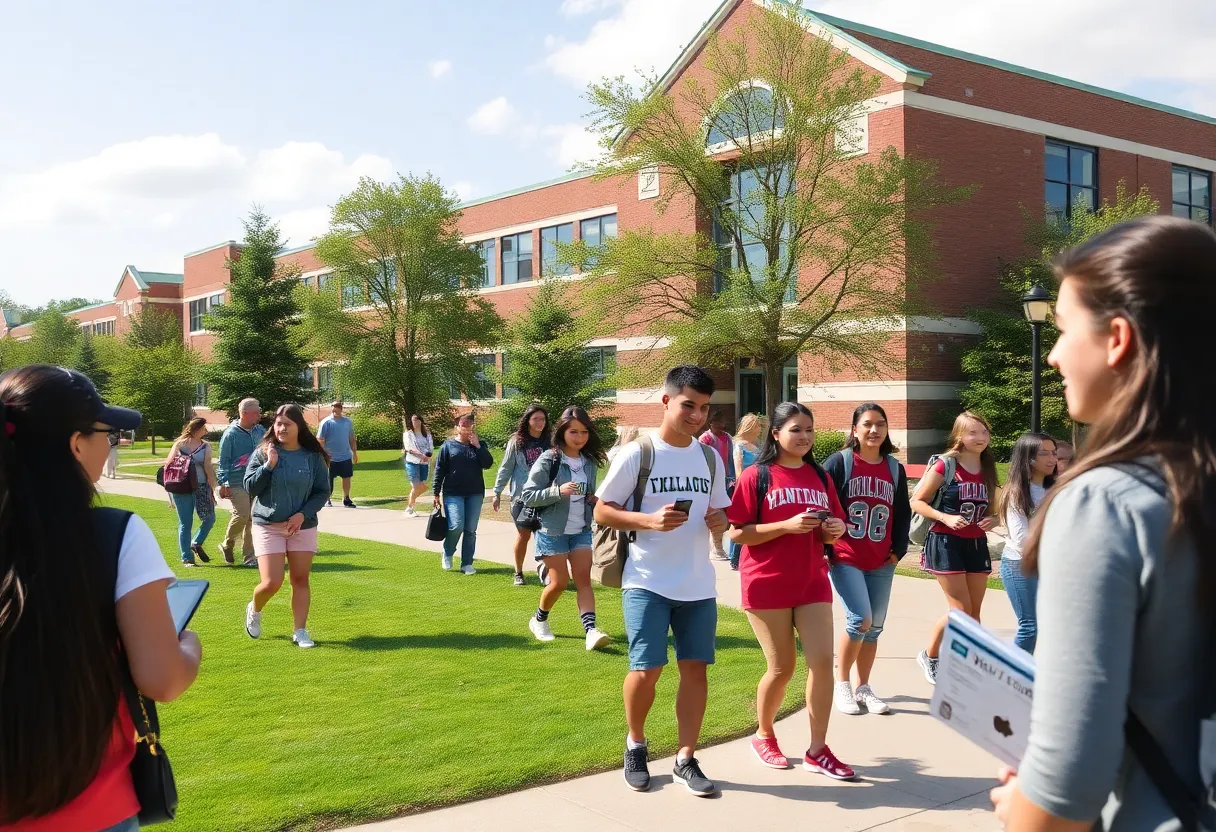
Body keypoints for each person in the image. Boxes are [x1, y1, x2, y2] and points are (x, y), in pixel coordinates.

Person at [989, 216, 1215, 831]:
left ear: (1117, 339)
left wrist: (1022, 807)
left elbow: (1066, 786)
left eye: (1064, 329)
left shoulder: (1105, 503)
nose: (1054, 354)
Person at [0, 365, 201, 832]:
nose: (109, 444)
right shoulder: (116, 534)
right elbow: (163, 679)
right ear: (76, 444)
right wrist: (189, 646)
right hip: (92, 810)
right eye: (107, 435)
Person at [595, 365, 731, 797]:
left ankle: (685, 758)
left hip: (698, 584)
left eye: (704, 408)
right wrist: (648, 521)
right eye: (689, 405)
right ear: (667, 400)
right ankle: (635, 744)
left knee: (696, 670)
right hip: (646, 580)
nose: (697, 416)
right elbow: (602, 509)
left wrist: (720, 521)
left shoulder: (710, 458)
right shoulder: (638, 452)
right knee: (646, 669)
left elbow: (721, 511)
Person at [725, 402, 856, 780]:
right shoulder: (757, 475)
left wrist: (834, 530)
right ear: (776, 434)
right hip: (766, 582)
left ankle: (818, 750)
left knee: (822, 664)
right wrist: (785, 526)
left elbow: (835, 525)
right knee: (782, 667)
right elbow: (737, 532)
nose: (805, 436)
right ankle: (764, 735)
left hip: (812, 580)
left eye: (809, 430)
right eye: (796, 429)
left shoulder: (820, 476)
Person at [823, 402, 911, 716]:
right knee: (860, 619)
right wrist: (827, 546)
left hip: (881, 559)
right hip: (846, 556)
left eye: (880, 424)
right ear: (855, 430)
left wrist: (898, 550)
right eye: (867, 424)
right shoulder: (840, 462)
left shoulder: (894, 468)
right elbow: (822, 503)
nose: (874, 430)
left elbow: (903, 513)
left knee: (874, 628)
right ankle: (842, 683)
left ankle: (864, 688)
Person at [910, 410, 999, 685]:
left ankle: (969, 667)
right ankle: (931, 655)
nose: (980, 437)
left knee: (973, 613)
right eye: (973, 432)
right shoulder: (945, 465)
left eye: (984, 432)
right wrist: (944, 517)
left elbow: (995, 510)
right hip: (945, 542)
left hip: (976, 543)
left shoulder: (988, 466)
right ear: (959, 435)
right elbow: (917, 501)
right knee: (960, 612)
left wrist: (994, 519)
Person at [521, 405, 612, 650]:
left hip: (581, 530)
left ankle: (591, 631)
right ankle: (539, 620)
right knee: (559, 582)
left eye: (584, 432)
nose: (580, 437)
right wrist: (557, 491)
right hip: (552, 532)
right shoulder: (549, 458)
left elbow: (585, 492)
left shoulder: (589, 462)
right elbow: (527, 495)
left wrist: (593, 499)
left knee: (584, 581)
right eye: (574, 432)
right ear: (562, 431)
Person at [243, 404, 330, 650]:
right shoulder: (263, 453)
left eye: (287, 425)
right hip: (268, 525)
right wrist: (269, 465)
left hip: (302, 526)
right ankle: (255, 608)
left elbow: (322, 491)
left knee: (300, 579)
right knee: (272, 582)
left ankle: (300, 631)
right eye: (278, 424)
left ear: (298, 427)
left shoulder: (312, 456)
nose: (281, 429)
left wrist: (302, 515)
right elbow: (250, 487)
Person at [997, 432, 1056, 655]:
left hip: (1049, 565)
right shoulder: (1016, 492)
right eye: (1044, 454)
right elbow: (1022, 539)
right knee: (1030, 627)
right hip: (1020, 565)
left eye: (1053, 453)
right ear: (1029, 458)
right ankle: (1009, 672)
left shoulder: (1056, 488)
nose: (1052, 459)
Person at [492, 405, 550, 586]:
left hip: (545, 496)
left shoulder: (550, 441)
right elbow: (506, 467)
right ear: (528, 421)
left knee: (546, 534)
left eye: (542, 419)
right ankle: (518, 572)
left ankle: (548, 571)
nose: (540, 422)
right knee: (523, 535)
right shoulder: (517, 442)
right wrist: (497, 492)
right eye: (536, 419)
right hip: (522, 498)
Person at [431, 415, 494, 575]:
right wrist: (436, 492)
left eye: (470, 425)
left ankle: (467, 563)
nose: (467, 428)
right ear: (457, 427)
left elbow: (487, 464)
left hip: (475, 492)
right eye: (463, 425)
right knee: (456, 526)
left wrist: (478, 446)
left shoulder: (479, 445)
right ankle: (448, 551)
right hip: (453, 493)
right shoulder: (448, 446)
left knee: (470, 530)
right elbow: (440, 469)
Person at [164, 416, 219, 567]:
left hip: (201, 486)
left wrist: (213, 488)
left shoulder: (205, 446)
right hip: (182, 487)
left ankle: (196, 542)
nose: (205, 431)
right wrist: (169, 496)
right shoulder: (180, 444)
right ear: (197, 429)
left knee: (210, 519)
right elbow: (169, 467)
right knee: (185, 523)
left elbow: (208, 468)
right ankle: (187, 558)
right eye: (203, 428)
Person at [216, 397, 265, 567]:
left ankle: (249, 557)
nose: (259, 415)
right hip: (236, 481)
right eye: (256, 412)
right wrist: (224, 482)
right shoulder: (231, 434)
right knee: (243, 514)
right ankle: (228, 544)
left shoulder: (260, 431)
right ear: (244, 413)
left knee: (253, 519)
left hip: (256, 479)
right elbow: (223, 460)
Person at [728, 413, 766, 570]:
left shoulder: (757, 447)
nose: (759, 430)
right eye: (757, 426)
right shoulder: (739, 446)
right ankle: (734, 556)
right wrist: (743, 487)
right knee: (739, 521)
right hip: (744, 487)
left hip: (757, 486)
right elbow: (738, 470)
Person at [699, 408, 736, 560]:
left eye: (723, 422)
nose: (721, 425)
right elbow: (702, 460)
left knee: (726, 514)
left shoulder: (727, 438)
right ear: (711, 423)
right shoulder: (705, 438)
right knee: (714, 513)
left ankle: (717, 545)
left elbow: (731, 458)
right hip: (710, 480)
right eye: (718, 422)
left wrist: (732, 477)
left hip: (726, 479)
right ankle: (716, 547)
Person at [318, 400, 357, 508]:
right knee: (328, 479)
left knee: (347, 478)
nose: (335, 408)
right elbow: (320, 439)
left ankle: (346, 498)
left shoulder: (347, 422)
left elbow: (351, 438)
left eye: (337, 406)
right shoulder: (326, 422)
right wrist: (324, 454)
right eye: (333, 406)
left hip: (345, 456)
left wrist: (354, 453)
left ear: (341, 408)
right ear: (331, 408)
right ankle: (327, 499)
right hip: (330, 458)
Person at [403, 414, 434, 518]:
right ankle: (410, 508)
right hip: (412, 462)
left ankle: (410, 504)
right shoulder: (408, 434)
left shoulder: (427, 435)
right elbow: (409, 448)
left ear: (421, 421)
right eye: (413, 420)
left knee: (422, 486)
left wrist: (427, 456)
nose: (415, 422)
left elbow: (431, 447)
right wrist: (421, 455)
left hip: (424, 463)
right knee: (416, 486)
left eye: (417, 420)